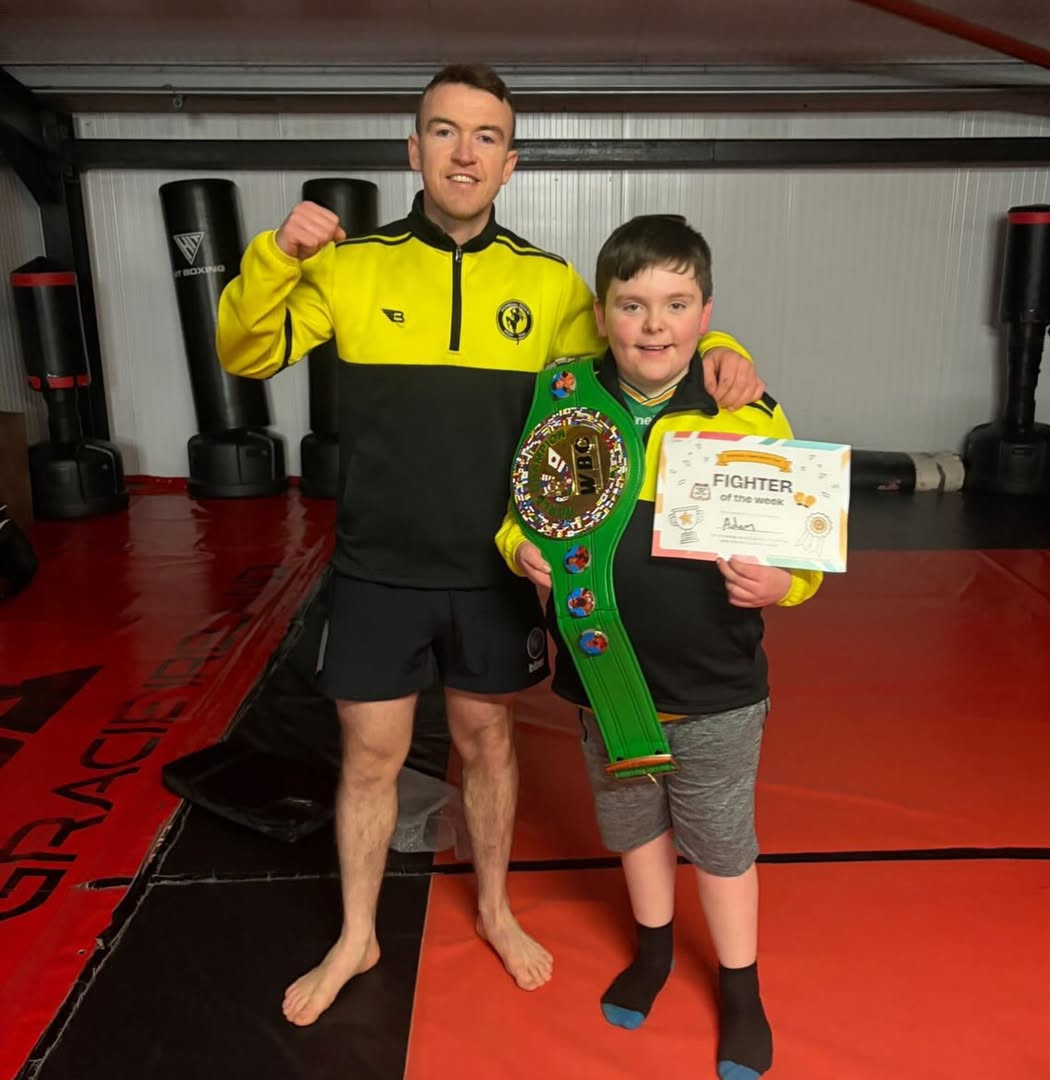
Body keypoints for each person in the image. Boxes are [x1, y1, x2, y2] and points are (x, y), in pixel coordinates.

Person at [215, 63, 765, 1028]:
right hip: (378, 565)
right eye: (443, 132)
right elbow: (245, 352)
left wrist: (734, 356)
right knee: (370, 757)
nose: (462, 153)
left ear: (510, 163)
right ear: (412, 149)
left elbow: (640, 334)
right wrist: (276, 255)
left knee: (488, 743)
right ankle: (357, 934)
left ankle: (500, 909)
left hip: (496, 570)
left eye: (484, 138)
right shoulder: (347, 266)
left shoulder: (550, 285)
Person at [497, 214, 822, 1079]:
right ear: (601, 314)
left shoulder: (741, 406)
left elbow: (807, 544)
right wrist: (516, 549)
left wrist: (784, 586)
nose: (654, 324)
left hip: (716, 685)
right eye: (633, 305)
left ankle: (743, 989)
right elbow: (523, 507)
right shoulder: (565, 394)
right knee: (635, 830)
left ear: (706, 314)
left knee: (720, 846)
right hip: (604, 680)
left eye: (677, 305)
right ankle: (652, 951)